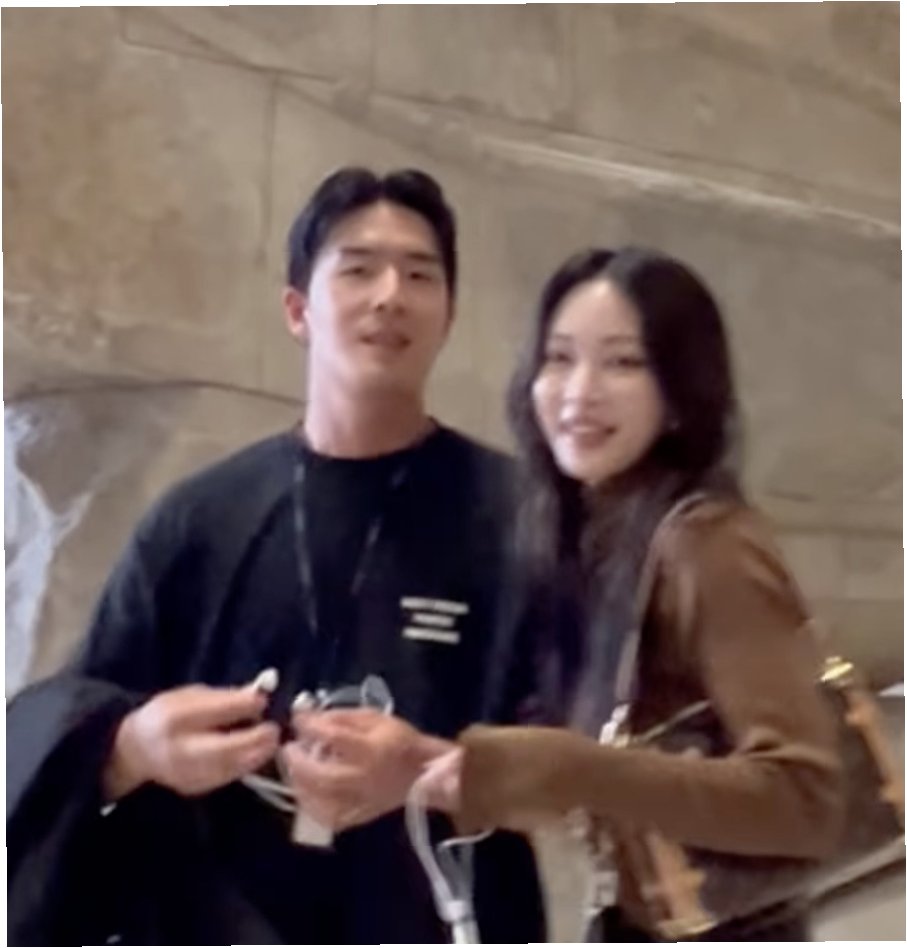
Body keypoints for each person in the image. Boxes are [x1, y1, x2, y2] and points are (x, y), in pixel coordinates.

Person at [7, 167, 545, 945]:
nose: (390, 295)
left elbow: (581, 772)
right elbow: (64, 719)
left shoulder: (520, 517)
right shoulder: (200, 517)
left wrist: (429, 769)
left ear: (448, 315)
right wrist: (133, 745)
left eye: (419, 274)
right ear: (298, 310)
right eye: (357, 269)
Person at [289, 246, 844, 941]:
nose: (580, 391)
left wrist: (570, 769)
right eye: (558, 358)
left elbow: (805, 799)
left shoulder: (709, 546)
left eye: (623, 363)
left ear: (680, 394)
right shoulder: (589, 530)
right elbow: (603, 773)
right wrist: (426, 766)